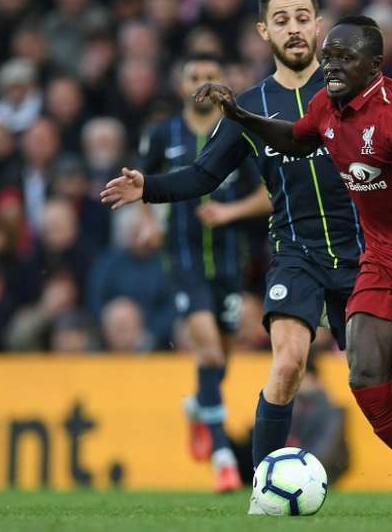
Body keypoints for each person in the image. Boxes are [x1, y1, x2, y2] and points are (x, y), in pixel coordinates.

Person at [100, 0, 392, 509]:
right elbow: (201, 175)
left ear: (317, 23)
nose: (293, 28)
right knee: (287, 362)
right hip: (296, 254)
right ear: (264, 31)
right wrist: (148, 187)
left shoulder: (354, 88)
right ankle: (263, 493)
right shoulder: (253, 104)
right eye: (281, 19)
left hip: (366, 255)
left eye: (303, 17)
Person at [193, 16, 392, 517]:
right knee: (366, 380)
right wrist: (239, 115)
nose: (331, 66)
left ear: (375, 65)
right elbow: (298, 138)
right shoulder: (327, 104)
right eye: (329, 56)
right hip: (383, 264)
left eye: (344, 58)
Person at [136, 52, 271, 493]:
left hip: (231, 265)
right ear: (181, 85)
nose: (202, 82)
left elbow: (269, 196)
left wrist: (229, 212)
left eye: (210, 76)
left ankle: (198, 405)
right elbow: (143, 185)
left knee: (221, 362)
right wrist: (145, 225)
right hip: (183, 263)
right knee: (210, 353)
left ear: (223, 84)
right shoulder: (162, 136)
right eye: (194, 76)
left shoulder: (238, 134)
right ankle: (222, 459)